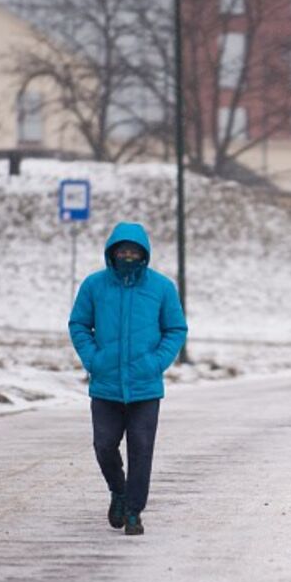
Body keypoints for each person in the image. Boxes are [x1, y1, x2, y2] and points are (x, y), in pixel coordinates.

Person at [68, 222, 188, 536]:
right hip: (106, 385)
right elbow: (79, 324)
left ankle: (134, 511)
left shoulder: (161, 288)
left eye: (134, 252)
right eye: (122, 251)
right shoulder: (94, 285)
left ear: (144, 254)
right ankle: (118, 491)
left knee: (141, 449)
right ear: (112, 252)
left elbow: (175, 329)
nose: (128, 256)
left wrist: (156, 362)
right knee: (104, 446)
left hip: (145, 387)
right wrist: (94, 359)